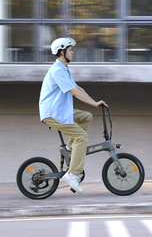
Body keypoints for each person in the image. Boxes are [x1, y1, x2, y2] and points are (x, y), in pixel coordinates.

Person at [39, 37, 108, 194]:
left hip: (61, 111)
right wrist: (94, 102)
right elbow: (74, 92)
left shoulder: (63, 69)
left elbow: (77, 87)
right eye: (70, 50)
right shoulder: (57, 70)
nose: (73, 52)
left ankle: (71, 147)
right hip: (53, 113)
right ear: (62, 52)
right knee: (82, 137)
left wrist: (95, 103)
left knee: (86, 117)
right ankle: (72, 174)